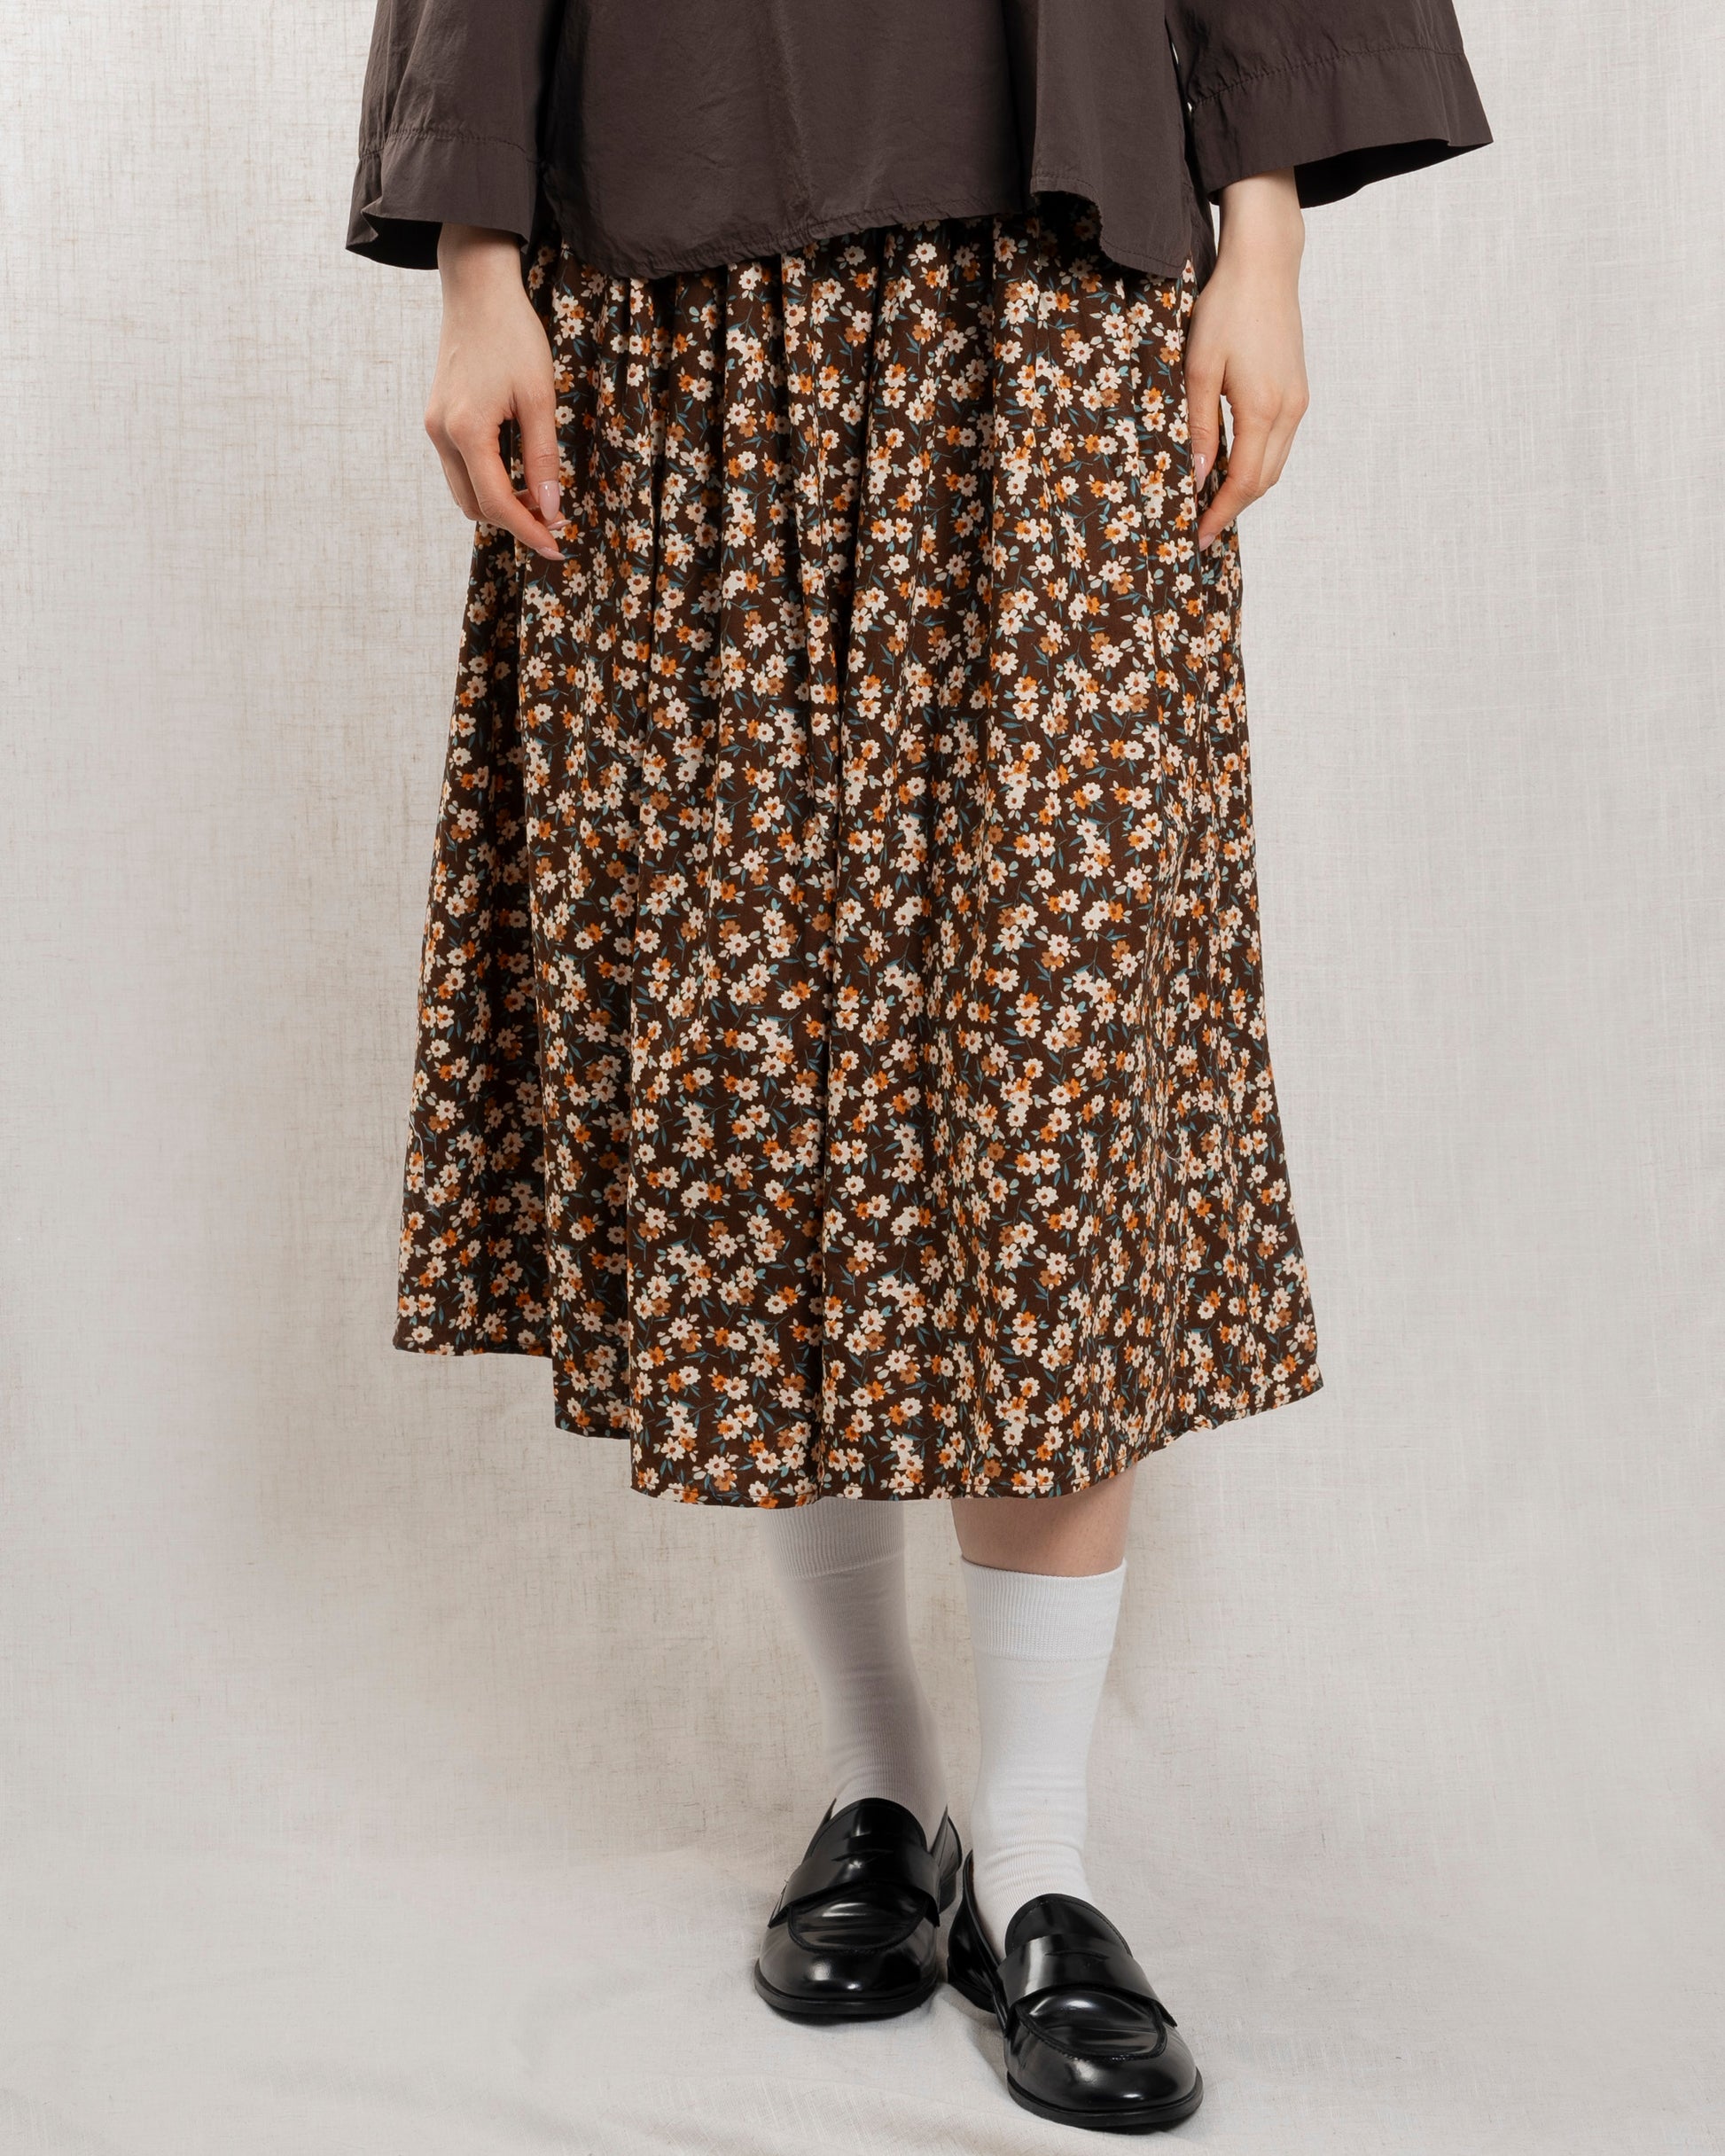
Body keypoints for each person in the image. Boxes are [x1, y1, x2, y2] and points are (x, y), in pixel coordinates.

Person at [346, 3, 1488, 2131]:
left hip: (1060, 300)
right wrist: (475, 269)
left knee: (1050, 1086)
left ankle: (1041, 1861)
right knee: (761, 1069)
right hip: (687, 313)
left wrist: (1263, 244)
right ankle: (885, 1792)